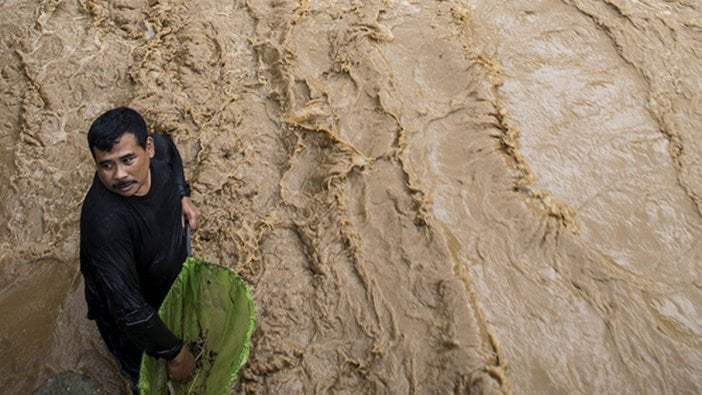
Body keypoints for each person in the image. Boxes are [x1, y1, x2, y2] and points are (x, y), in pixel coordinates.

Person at [79, 107, 201, 391]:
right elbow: (128, 309)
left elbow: (171, 153)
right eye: (106, 165)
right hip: (127, 314)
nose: (119, 175)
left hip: (159, 270)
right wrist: (175, 353)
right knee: (140, 373)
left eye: (127, 159)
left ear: (148, 148)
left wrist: (183, 195)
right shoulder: (104, 224)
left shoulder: (160, 148)